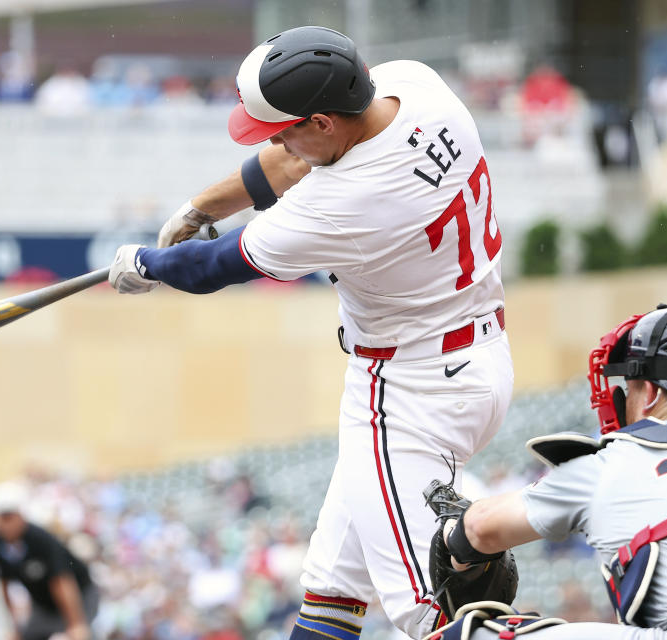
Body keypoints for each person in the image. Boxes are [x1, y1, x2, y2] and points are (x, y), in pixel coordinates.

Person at [107, 25, 512, 638]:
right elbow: (293, 155)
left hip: (409, 388)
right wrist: (202, 207)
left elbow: (216, 267)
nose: (279, 139)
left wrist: (147, 265)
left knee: (434, 612)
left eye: (288, 125)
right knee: (332, 588)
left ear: (323, 120)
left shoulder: (344, 202)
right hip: (467, 358)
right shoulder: (417, 85)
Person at [431, 303, 667, 639]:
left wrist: (453, 535)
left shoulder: (612, 465)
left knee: (470, 635)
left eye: (631, 382)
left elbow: (479, 529)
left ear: (650, 393)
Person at [0, 482, 97, 640]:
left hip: (79, 598)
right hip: (44, 605)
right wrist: (14, 627)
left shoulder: (41, 540)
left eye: (8, 518)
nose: (4, 525)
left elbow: (62, 582)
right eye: (0, 518)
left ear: (21, 516)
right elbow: (4, 583)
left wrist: (76, 623)